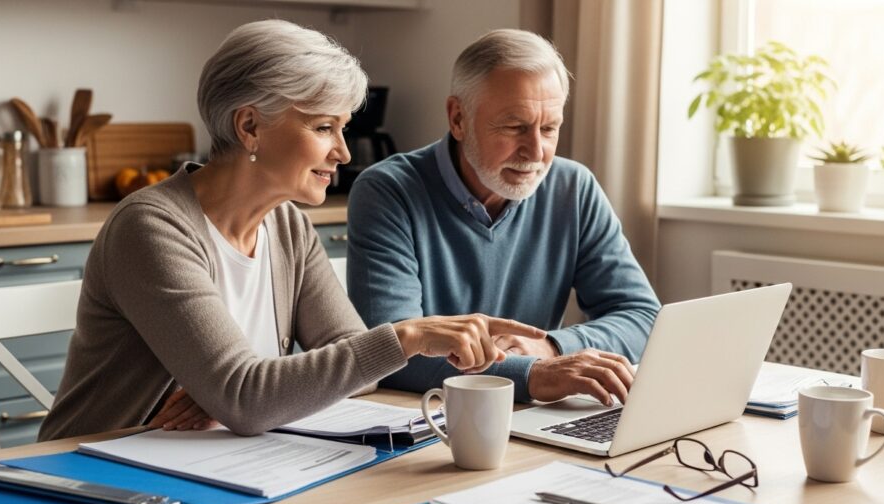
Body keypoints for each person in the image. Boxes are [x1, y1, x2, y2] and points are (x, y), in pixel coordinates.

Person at [39, 20, 545, 441]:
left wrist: (241, 392)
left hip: (203, 465)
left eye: (342, 128)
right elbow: (251, 398)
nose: (343, 153)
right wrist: (407, 336)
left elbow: (360, 375)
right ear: (250, 127)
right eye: (324, 127)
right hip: (89, 474)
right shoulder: (151, 229)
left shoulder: (287, 228)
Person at [347, 29, 661, 407]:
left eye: (549, 128)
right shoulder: (387, 191)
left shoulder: (573, 187)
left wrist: (550, 345)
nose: (536, 151)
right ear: (458, 118)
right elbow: (391, 353)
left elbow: (643, 317)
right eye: (514, 127)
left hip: (536, 412)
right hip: (435, 417)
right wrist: (533, 374)